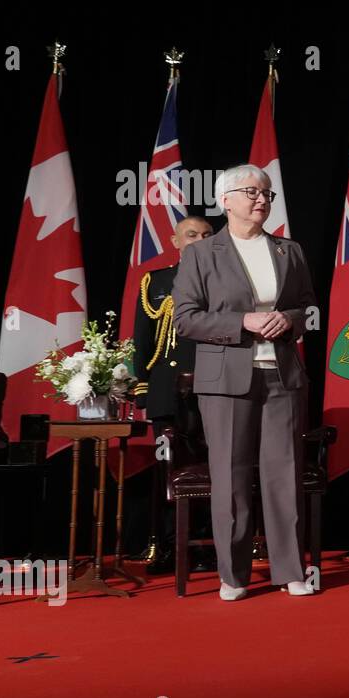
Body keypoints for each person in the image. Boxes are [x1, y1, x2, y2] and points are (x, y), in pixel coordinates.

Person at [172, 165, 317, 600]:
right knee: (231, 477)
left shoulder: (289, 251)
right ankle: (233, 576)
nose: (261, 200)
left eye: (267, 194)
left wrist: (288, 319)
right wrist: (243, 322)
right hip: (226, 380)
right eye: (251, 192)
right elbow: (185, 319)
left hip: (283, 376)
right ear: (226, 200)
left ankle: (290, 570)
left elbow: (310, 310)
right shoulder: (201, 253)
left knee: (284, 474)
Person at [131, 215, 216, 574]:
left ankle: (210, 547)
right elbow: (143, 338)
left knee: (214, 470)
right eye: (191, 235)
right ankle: (168, 547)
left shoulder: (226, 280)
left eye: (207, 235)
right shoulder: (156, 281)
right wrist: (143, 387)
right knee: (169, 471)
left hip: (215, 387)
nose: (199, 239)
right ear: (175, 241)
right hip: (167, 389)